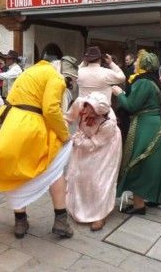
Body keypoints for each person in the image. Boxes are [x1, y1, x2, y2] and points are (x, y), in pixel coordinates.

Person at [0, 57, 73, 239]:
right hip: (32, 126)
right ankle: (61, 220)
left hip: (9, 123)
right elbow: (51, 110)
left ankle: (20, 221)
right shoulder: (55, 77)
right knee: (54, 169)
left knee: (15, 170)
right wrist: (64, 134)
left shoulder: (29, 72)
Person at [112, 50, 161, 214]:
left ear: (144, 64)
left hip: (147, 127)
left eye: (138, 60)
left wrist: (119, 94)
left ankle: (139, 205)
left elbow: (131, 105)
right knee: (152, 166)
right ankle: (154, 197)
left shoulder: (143, 82)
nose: (135, 62)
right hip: (156, 125)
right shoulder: (151, 80)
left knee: (137, 164)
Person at [64, 92, 122, 231]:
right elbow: (67, 118)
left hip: (105, 147)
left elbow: (94, 143)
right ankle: (79, 206)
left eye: (92, 111)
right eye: (88, 107)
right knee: (79, 174)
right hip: (84, 140)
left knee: (99, 179)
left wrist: (75, 141)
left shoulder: (109, 124)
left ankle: (99, 214)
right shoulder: (80, 103)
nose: (86, 112)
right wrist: (63, 132)